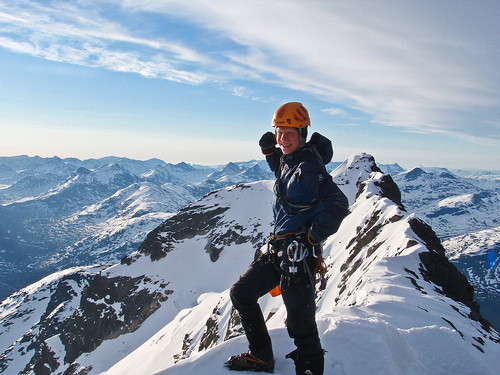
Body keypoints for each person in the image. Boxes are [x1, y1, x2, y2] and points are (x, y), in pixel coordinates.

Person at [227, 102, 349, 374]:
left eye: (289, 133)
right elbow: (286, 180)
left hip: (298, 255)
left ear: (303, 134)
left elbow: (338, 204)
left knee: (300, 324)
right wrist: (271, 153)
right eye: (280, 132)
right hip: (280, 250)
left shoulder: (308, 169)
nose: (283, 138)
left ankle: (309, 368)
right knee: (242, 293)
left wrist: (314, 236)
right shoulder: (292, 160)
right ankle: (261, 355)